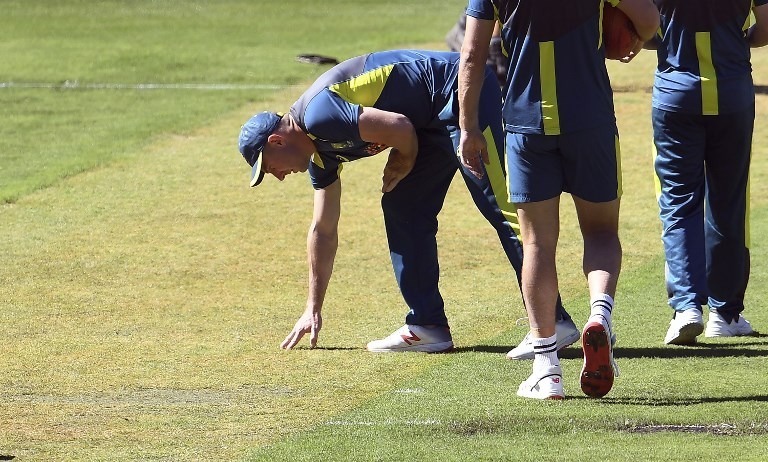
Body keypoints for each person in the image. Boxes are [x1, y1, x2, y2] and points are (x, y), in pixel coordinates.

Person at [237, 49, 578, 354]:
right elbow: (323, 230)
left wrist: (403, 159)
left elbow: (399, 127)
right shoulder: (320, 155)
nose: (278, 176)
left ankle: (553, 323)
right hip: (424, 122)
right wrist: (313, 306)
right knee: (403, 207)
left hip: (459, 92)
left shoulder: (319, 116)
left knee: (500, 206)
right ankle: (427, 325)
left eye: (269, 168)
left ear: (277, 141)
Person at [458, 1, 659, 399]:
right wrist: (627, 34)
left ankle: (547, 367)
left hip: (526, 123)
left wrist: (467, 126)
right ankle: (599, 316)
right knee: (601, 233)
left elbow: (471, 56)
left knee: (536, 244)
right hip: (590, 119)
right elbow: (651, 21)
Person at [649, 0, 768, 345]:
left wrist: (666, 37)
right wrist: (736, 38)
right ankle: (724, 313)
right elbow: (766, 27)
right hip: (731, 92)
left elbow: (638, 25)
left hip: (676, 95)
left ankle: (687, 306)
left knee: (678, 200)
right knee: (728, 200)